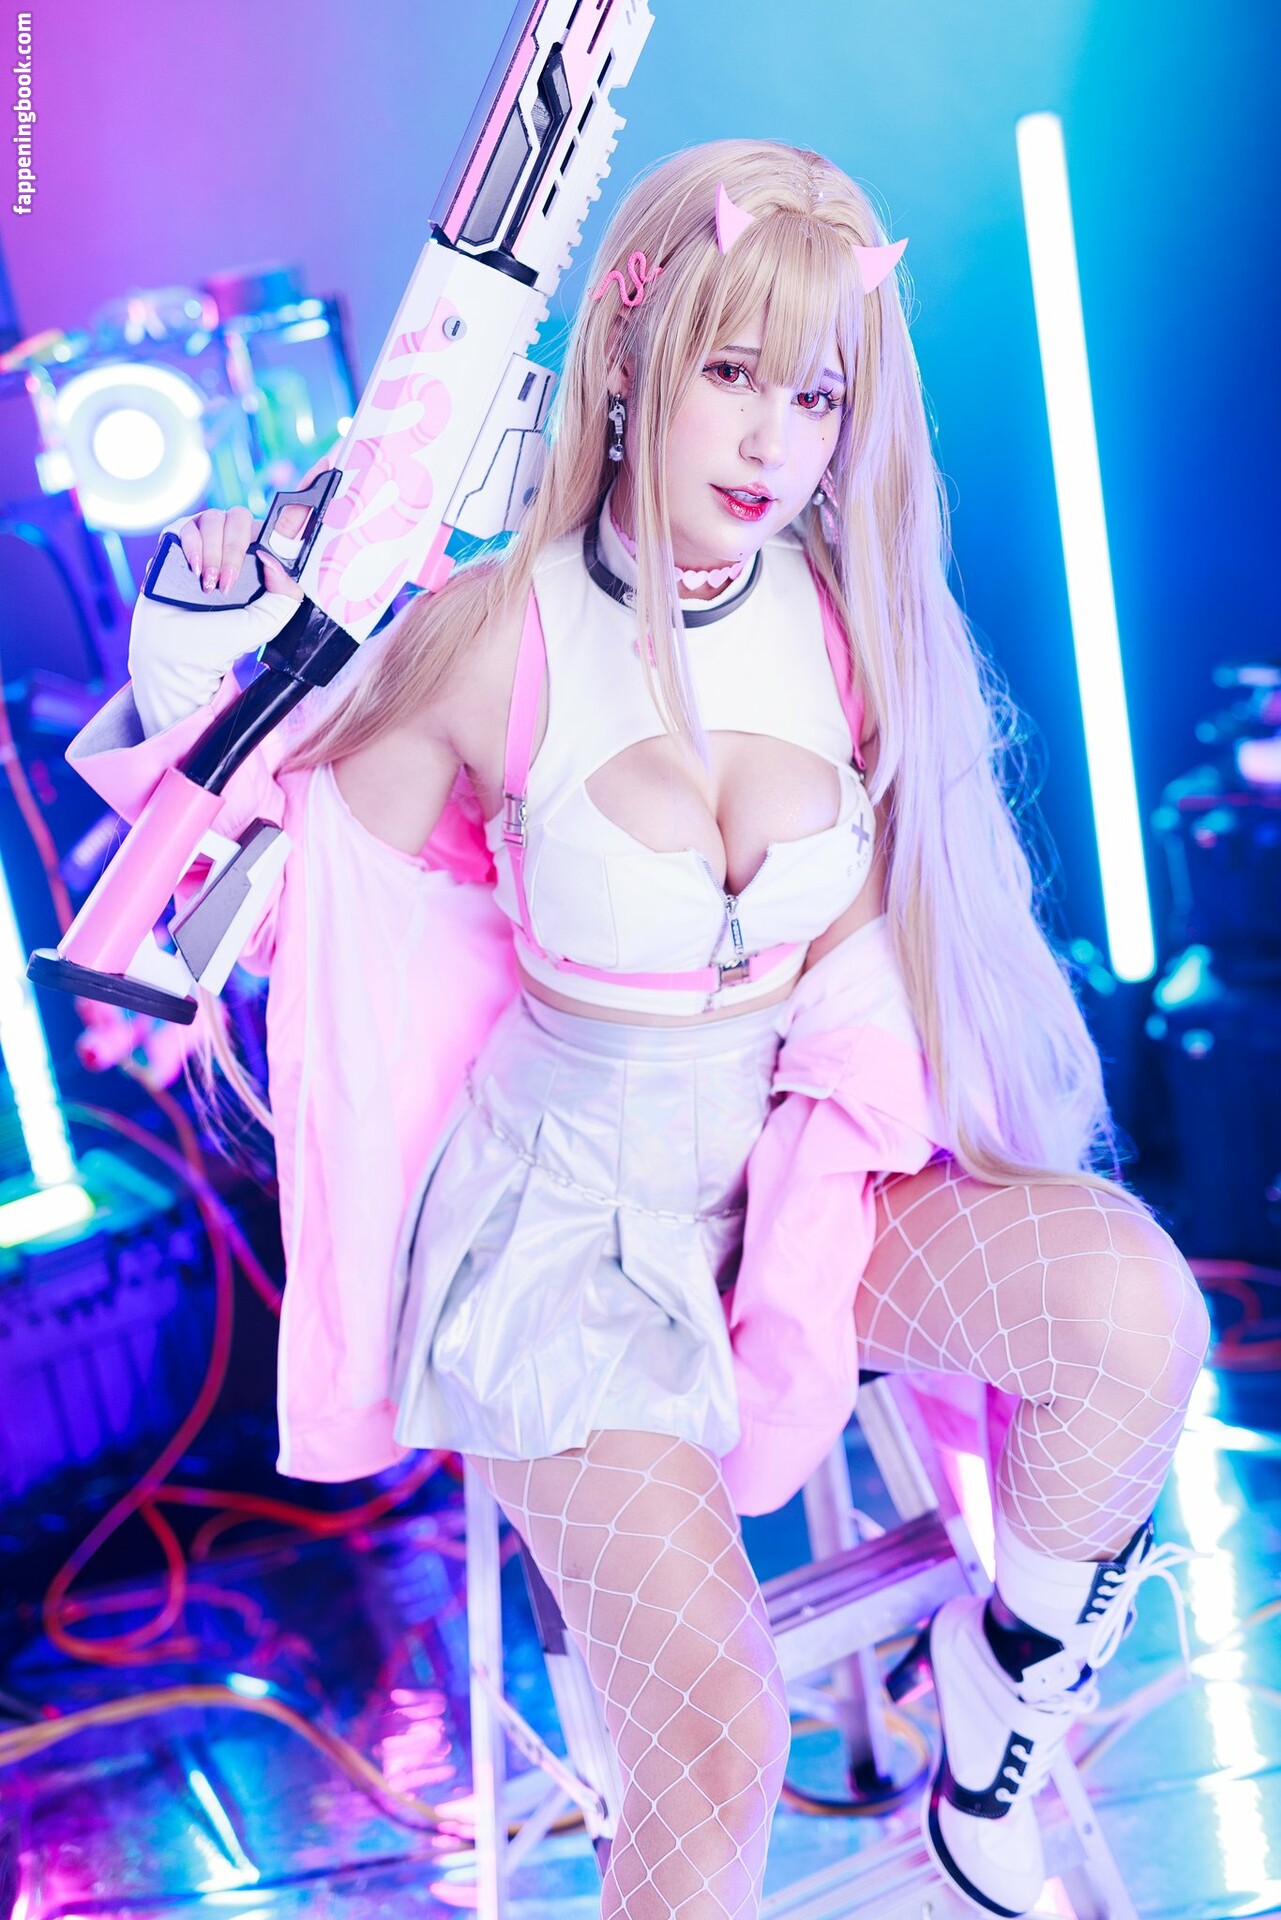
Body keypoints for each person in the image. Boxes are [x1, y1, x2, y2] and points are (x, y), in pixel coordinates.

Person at [84, 140, 1209, 1920]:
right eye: (732, 374)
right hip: (563, 1239)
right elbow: (275, 879)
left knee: (1131, 1305)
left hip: (791, 1180)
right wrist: (192, 651)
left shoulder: (846, 621)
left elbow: (882, 938)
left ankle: (1000, 1703)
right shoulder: (493, 640)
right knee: (709, 1739)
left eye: (813, 393)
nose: (772, 441)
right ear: (630, 359)